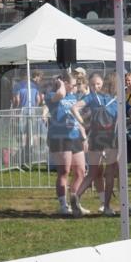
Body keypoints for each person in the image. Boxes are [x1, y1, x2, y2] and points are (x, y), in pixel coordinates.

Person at [72, 72, 123, 216]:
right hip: (111, 139)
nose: (96, 86)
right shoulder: (117, 100)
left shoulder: (92, 97)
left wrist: (83, 122)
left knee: (92, 172)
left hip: (95, 137)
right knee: (110, 173)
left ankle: (76, 196)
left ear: (104, 83)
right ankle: (106, 206)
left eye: (98, 84)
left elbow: (74, 108)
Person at [45, 72, 88, 216]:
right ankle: (63, 205)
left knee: (81, 172)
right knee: (64, 171)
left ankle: (75, 202)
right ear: (64, 82)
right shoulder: (51, 96)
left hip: (74, 136)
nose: (75, 87)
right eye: (73, 84)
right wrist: (61, 84)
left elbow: (74, 117)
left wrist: (83, 134)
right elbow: (61, 94)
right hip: (60, 137)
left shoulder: (72, 96)